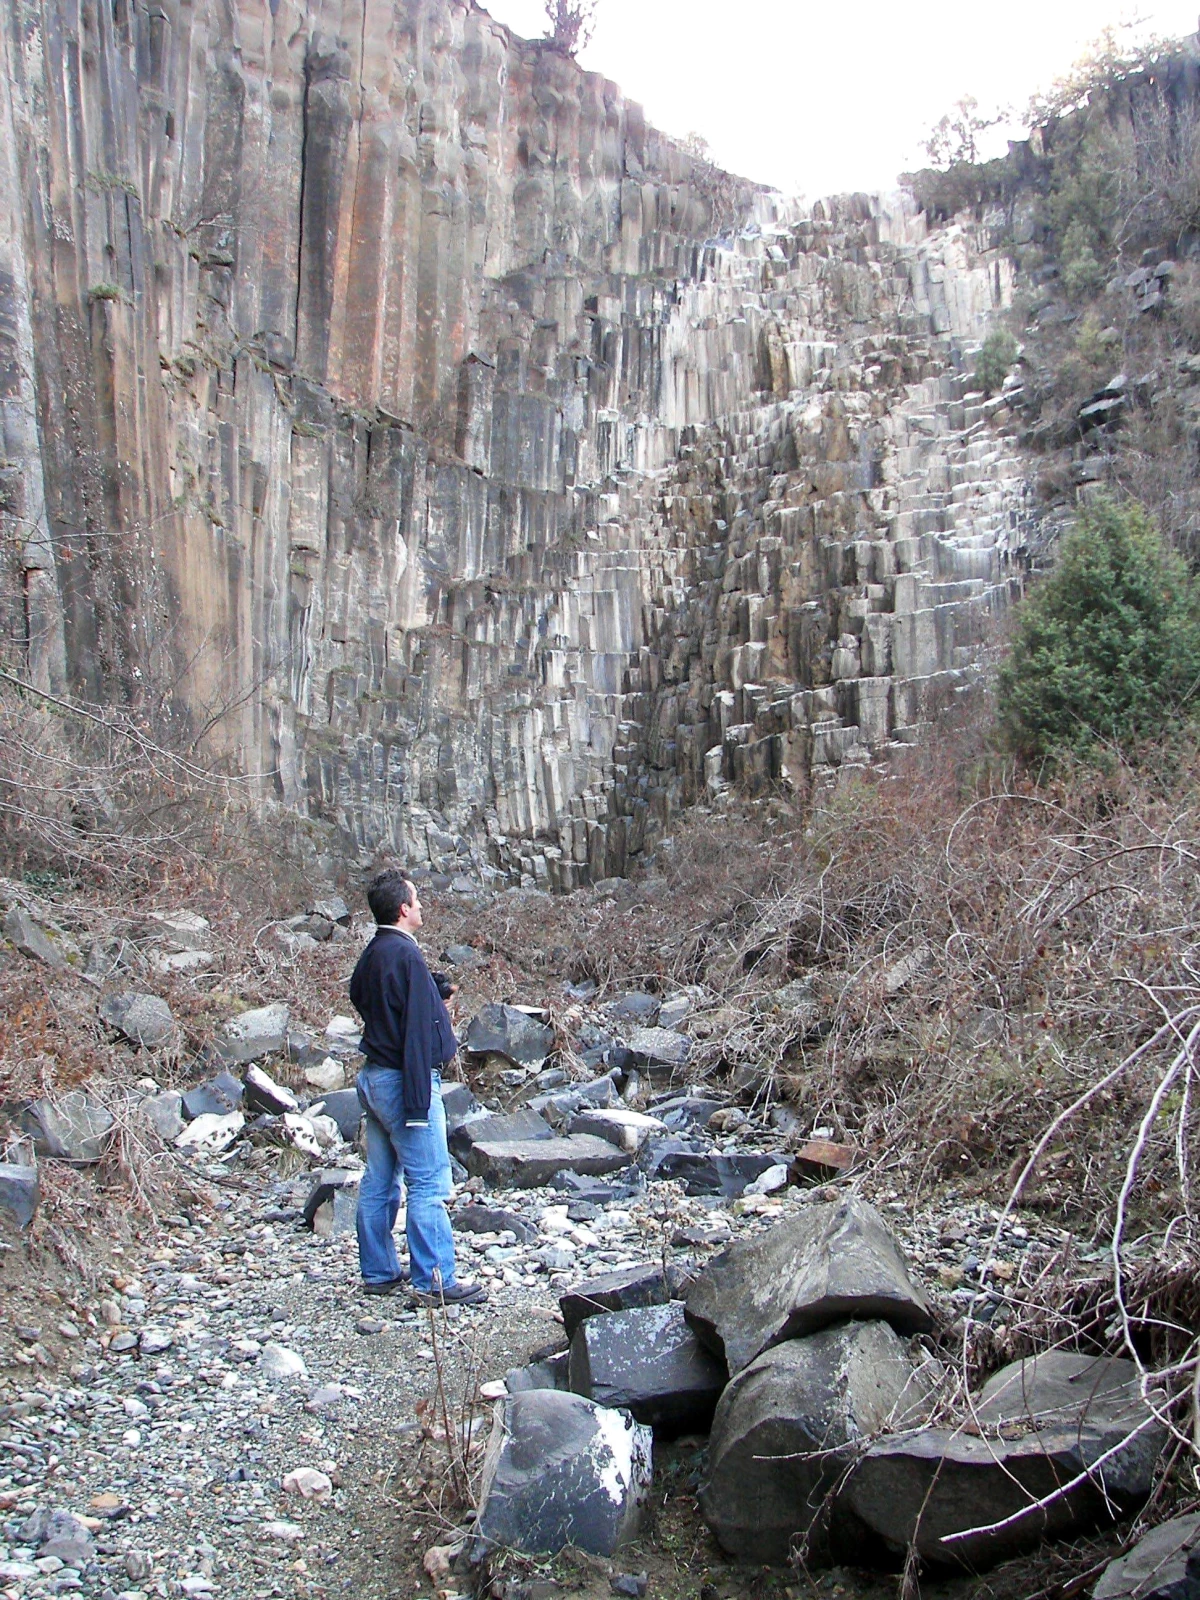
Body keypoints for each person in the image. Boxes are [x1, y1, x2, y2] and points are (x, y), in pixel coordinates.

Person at [349, 868, 486, 1306]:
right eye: (417, 899)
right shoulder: (405, 955)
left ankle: (378, 1272)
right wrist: (416, 1101)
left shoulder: (375, 951)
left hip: (374, 1076)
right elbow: (417, 1033)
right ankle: (435, 1281)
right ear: (404, 908)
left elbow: (365, 996)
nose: (422, 905)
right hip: (403, 1080)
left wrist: (431, 992)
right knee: (428, 1182)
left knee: (381, 1178)